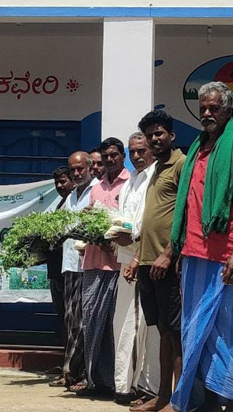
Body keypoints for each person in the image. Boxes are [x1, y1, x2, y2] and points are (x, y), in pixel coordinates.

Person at [167, 82, 233, 412]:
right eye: (203, 108)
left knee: (222, 329)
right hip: (192, 253)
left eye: (214, 108)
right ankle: (202, 400)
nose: (207, 113)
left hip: (224, 257)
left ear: (228, 111)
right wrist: (178, 251)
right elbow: (188, 205)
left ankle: (231, 400)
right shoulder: (196, 149)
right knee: (194, 330)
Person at [129, 110, 186, 412]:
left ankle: (179, 400)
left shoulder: (182, 165)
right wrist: (139, 257)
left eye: (159, 133)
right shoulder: (155, 169)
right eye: (150, 135)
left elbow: (187, 213)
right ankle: (163, 396)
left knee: (175, 333)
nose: (154, 139)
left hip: (167, 263)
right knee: (163, 331)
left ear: (171, 136)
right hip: (147, 262)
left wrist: (169, 254)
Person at [70, 137, 129, 398]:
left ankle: (118, 383)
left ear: (123, 156)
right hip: (93, 262)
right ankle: (96, 380)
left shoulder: (130, 184)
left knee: (115, 326)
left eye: (114, 155)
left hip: (117, 264)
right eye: (105, 156)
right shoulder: (96, 187)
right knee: (92, 322)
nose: (109, 160)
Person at [116, 132, 159, 405]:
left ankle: (144, 386)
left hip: (145, 260)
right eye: (132, 151)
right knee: (125, 324)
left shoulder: (155, 179)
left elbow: (152, 224)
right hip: (126, 258)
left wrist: (136, 255)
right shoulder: (131, 180)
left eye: (141, 150)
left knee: (145, 327)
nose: (136, 156)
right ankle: (126, 384)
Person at [59, 151, 99, 390]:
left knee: (85, 321)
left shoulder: (97, 191)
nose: (76, 173)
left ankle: (81, 372)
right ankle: (71, 370)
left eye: (80, 168)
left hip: (88, 265)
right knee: (71, 319)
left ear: (90, 167)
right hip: (70, 264)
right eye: (72, 169)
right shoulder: (72, 195)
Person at [45, 166, 74, 387]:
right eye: (57, 182)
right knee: (63, 318)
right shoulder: (60, 204)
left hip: (69, 270)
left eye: (63, 181)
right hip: (56, 270)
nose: (59, 186)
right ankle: (66, 362)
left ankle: (71, 369)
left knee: (71, 320)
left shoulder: (75, 203)